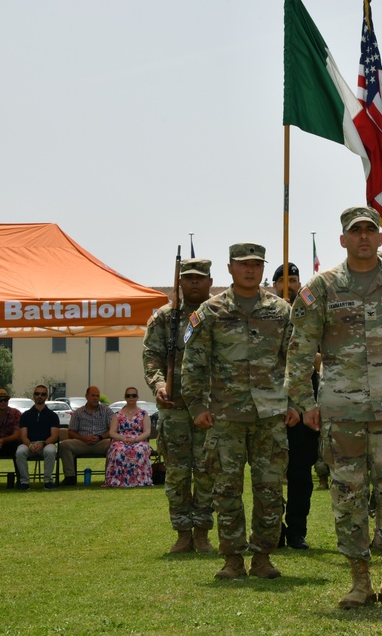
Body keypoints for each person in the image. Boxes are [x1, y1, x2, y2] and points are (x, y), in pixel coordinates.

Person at [285, 206, 382, 609]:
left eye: (371, 230)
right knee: (347, 495)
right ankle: (358, 582)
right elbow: (299, 349)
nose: (364, 237)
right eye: (356, 232)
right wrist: (303, 401)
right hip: (342, 412)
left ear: (381, 238)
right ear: (343, 240)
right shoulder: (323, 286)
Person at [182, 243, 296, 580]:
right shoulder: (210, 311)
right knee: (226, 492)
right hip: (225, 417)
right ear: (230, 268)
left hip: (270, 416)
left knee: (270, 491)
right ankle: (232, 559)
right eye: (243, 264)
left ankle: (263, 556)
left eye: (256, 265)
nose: (250, 270)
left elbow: (296, 360)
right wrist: (197, 405)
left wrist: (296, 401)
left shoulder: (281, 310)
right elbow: (194, 363)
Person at [143, 257, 216, 553]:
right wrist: (159, 384)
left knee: (207, 470)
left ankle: (202, 532)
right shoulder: (163, 317)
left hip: (209, 407)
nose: (195, 282)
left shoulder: (219, 313)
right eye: (189, 278)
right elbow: (152, 357)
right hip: (174, 407)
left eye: (200, 278)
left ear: (210, 281)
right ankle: (182, 532)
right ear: (180, 282)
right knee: (176, 472)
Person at [275, 261, 320, 550]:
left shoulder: (310, 309)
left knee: (301, 472)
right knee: (270, 472)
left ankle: (297, 531)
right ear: (275, 284)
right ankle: (273, 528)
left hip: (305, 399)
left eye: (294, 279)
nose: (289, 285)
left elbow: (319, 354)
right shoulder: (268, 312)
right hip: (273, 401)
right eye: (283, 281)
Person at [58, 386, 114, 485]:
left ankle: (109, 476)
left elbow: (112, 429)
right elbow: (71, 432)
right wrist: (83, 438)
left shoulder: (107, 411)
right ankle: (70, 477)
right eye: (93, 395)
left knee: (114, 445)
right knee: (64, 445)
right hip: (82, 442)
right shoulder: (78, 412)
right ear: (86, 396)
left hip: (101, 442)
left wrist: (100, 437)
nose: (95, 398)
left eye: (97, 396)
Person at [104, 387, 154, 488]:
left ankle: (141, 480)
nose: (131, 398)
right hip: (121, 440)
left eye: (133, 395)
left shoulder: (144, 414)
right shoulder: (117, 415)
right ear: (125, 397)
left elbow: (147, 432)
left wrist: (135, 440)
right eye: (128, 396)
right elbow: (112, 432)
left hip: (139, 440)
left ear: (137, 397)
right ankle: (116, 481)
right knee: (118, 450)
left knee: (140, 449)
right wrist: (124, 439)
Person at [15, 385, 59, 490]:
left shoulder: (52, 416)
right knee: (20, 451)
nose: (40, 396)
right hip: (29, 444)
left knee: (50, 451)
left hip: (46, 444)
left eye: (43, 394)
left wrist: (43, 444)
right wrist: (30, 445)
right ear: (33, 396)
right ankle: (24, 482)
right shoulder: (25, 415)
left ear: (46, 397)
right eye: (37, 394)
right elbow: (23, 436)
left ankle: (48, 481)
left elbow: (54, 436)